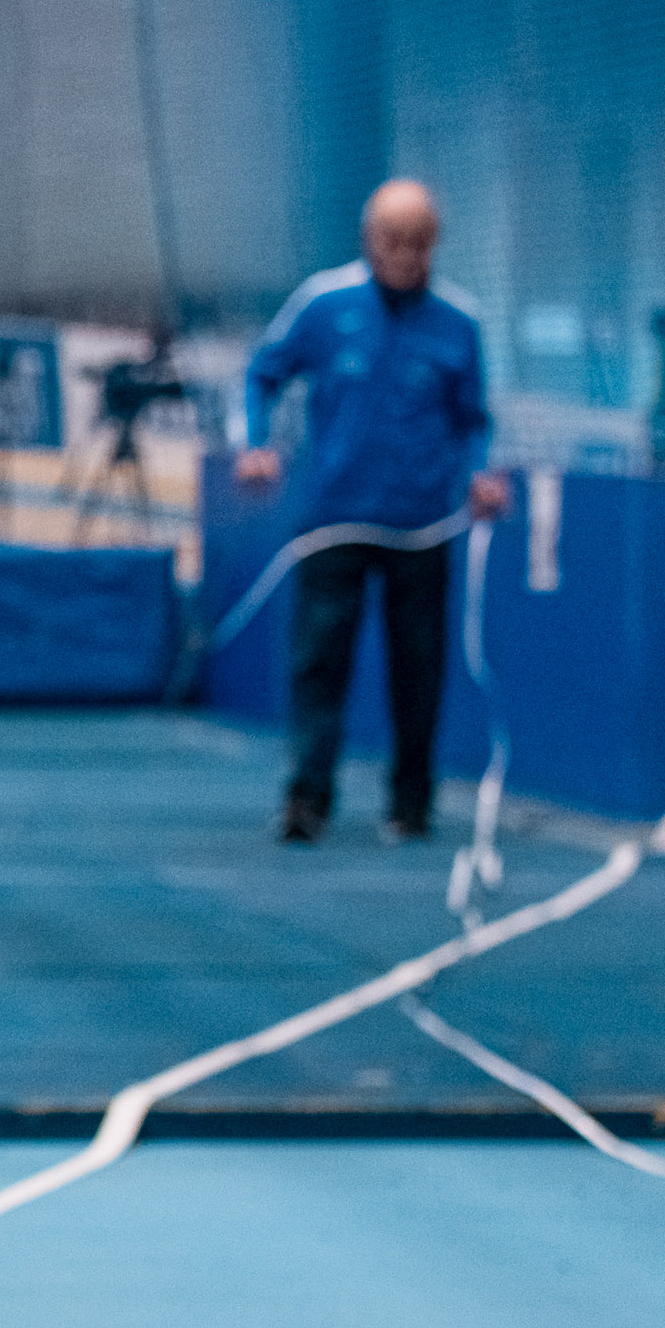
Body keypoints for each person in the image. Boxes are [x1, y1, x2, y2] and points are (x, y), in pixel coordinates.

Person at [234, 179, 506, 844]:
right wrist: (256, 445)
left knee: (419, 666)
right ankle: (307, 797)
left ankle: (411, 802)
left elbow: (474, 419)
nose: (406, 256)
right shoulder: (323, 303)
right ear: (369, 240)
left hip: (422, 525)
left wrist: (480, 477)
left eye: (419, 243)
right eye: (394, 242)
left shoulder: (459, 321)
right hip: (334, 520)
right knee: (319, 660)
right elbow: (262, 373)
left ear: (435, 244)